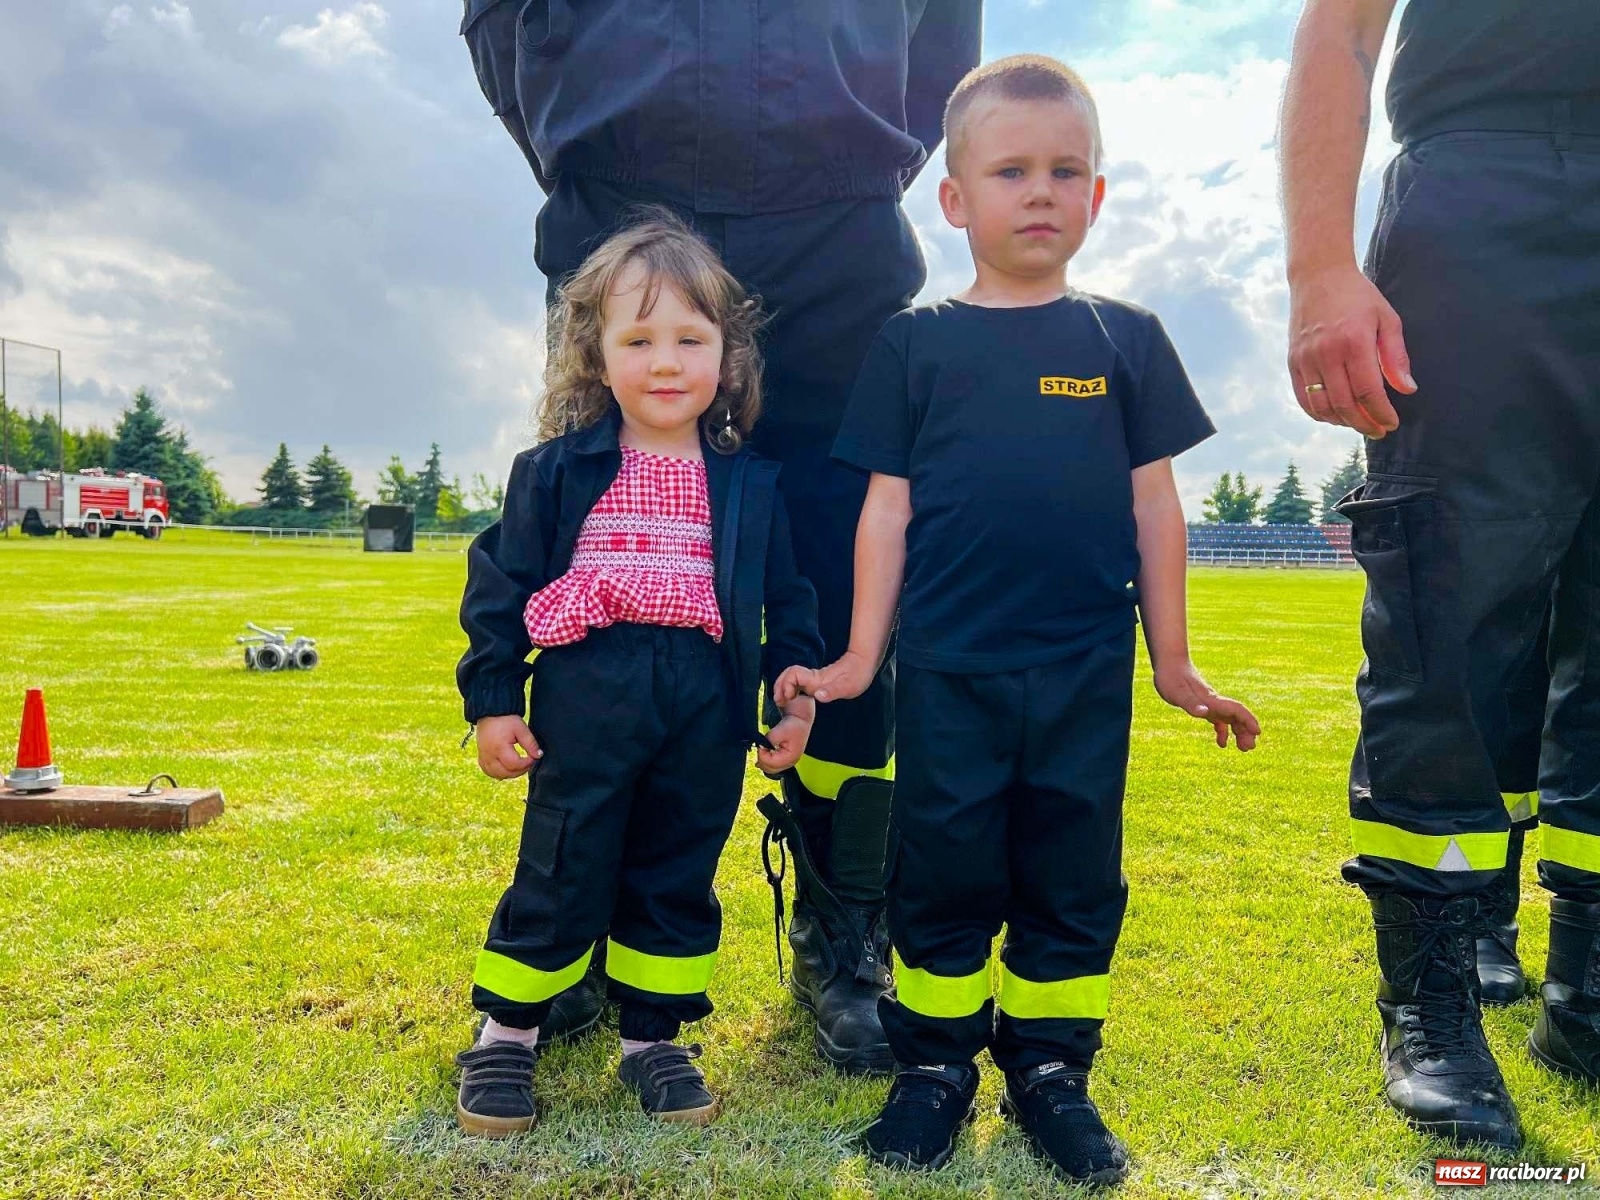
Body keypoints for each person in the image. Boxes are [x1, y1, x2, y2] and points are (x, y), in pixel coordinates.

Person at [459, 0, 981, 1073]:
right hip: (617, 197)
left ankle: (844, 925)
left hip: (838, 216)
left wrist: (857, 146)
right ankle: (578, 929)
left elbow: (943, 38)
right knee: (598, 560)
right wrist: (582, 124)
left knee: (847, 588)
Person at [776, 56, 1261, 1183]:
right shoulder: (913, 344)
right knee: (942, 873)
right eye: (1010, 171)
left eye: (1065, 170)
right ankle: (934, 1070)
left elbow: (1155, 508)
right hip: (948, 672)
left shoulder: (1124, 340)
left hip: (1082, 673)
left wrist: (1176, 664)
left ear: (1097, 194)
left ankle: (1050, 1071)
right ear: (954, 199)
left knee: (1070, 878)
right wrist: (859, 655)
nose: (1040, 191)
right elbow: (885, 512)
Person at [1281, 0, 1600, 1152]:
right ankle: (1432, 1005)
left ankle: (1586, 992)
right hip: (1483, 189)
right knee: (1445, 612)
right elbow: (1342, 28)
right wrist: (1320, 267)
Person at [453, 215, 823, 1134]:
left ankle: (653, 1039)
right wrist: (494, 700)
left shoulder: (752, 483)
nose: (665, 363)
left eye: (691, 339)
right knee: (565, 857)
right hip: (589, 689)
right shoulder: (555, 470)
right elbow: (499, 586)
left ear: (727, 356)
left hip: (707, 698)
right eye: (639, 340)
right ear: (596, 353)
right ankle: (507, 1034)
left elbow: (789, 597)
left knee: (678, 862)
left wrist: (793, 695)